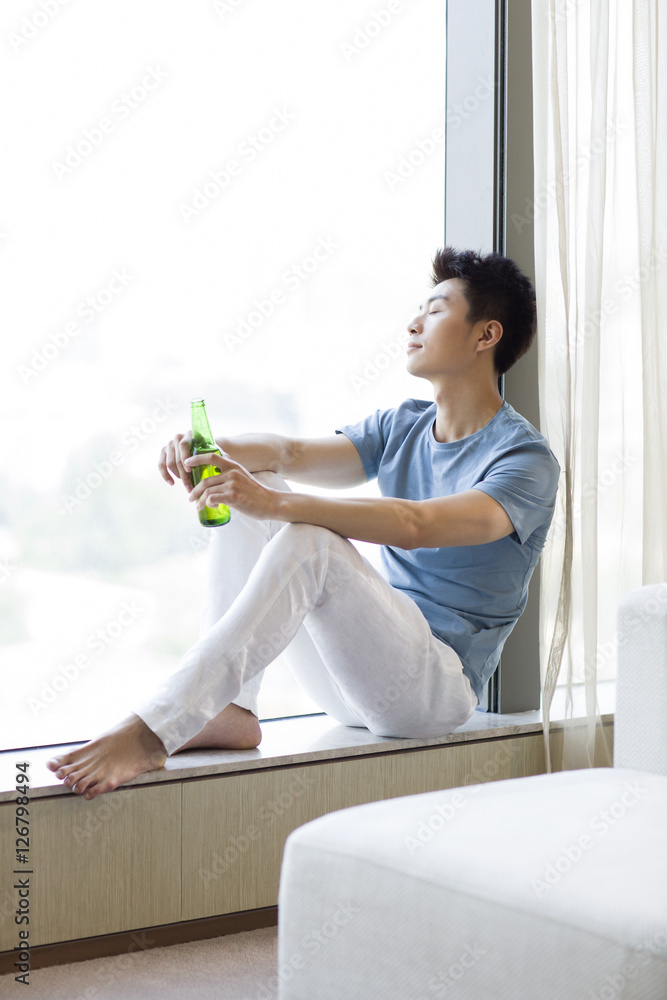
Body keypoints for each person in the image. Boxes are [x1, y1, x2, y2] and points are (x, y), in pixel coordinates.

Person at [47, 247, 560, 800]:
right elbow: (288, 453)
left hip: (433, 692)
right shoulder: (404, 425)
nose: (413, 323)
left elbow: (417, 524)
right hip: (360, 671)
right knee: (254, 492)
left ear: (486, 336)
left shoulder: (525, 461)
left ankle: (155, 729)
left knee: (302, 533)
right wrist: (216, 452)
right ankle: (229, 707)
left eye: (434, 311)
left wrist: (274, 503)